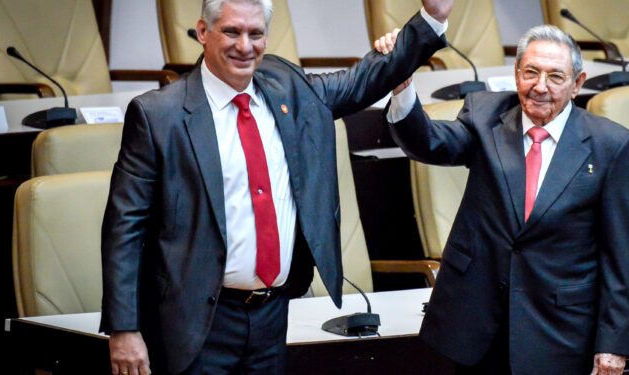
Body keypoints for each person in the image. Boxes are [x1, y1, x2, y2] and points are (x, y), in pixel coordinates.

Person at [100, 0, 452, 374]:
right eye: (231, 32)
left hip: (270, 316)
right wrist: (124, 328)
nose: (245, 46)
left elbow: (365, 79)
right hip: (193, 322)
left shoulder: (288, 88)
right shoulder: (159, 115)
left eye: (256, 34)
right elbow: (125, 226)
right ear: (203, 32)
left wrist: (432, 19)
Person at [376, 25, 629, 375]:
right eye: (530, 72)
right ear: (516, 73)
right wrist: (402, 84)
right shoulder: (485, 116)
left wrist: (613, 344)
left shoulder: (610, 145)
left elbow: (620, 255)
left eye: (555, 76)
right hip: (478, 327)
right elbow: (428, 142)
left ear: (577, 84)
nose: (540, 86)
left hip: (559, 331)